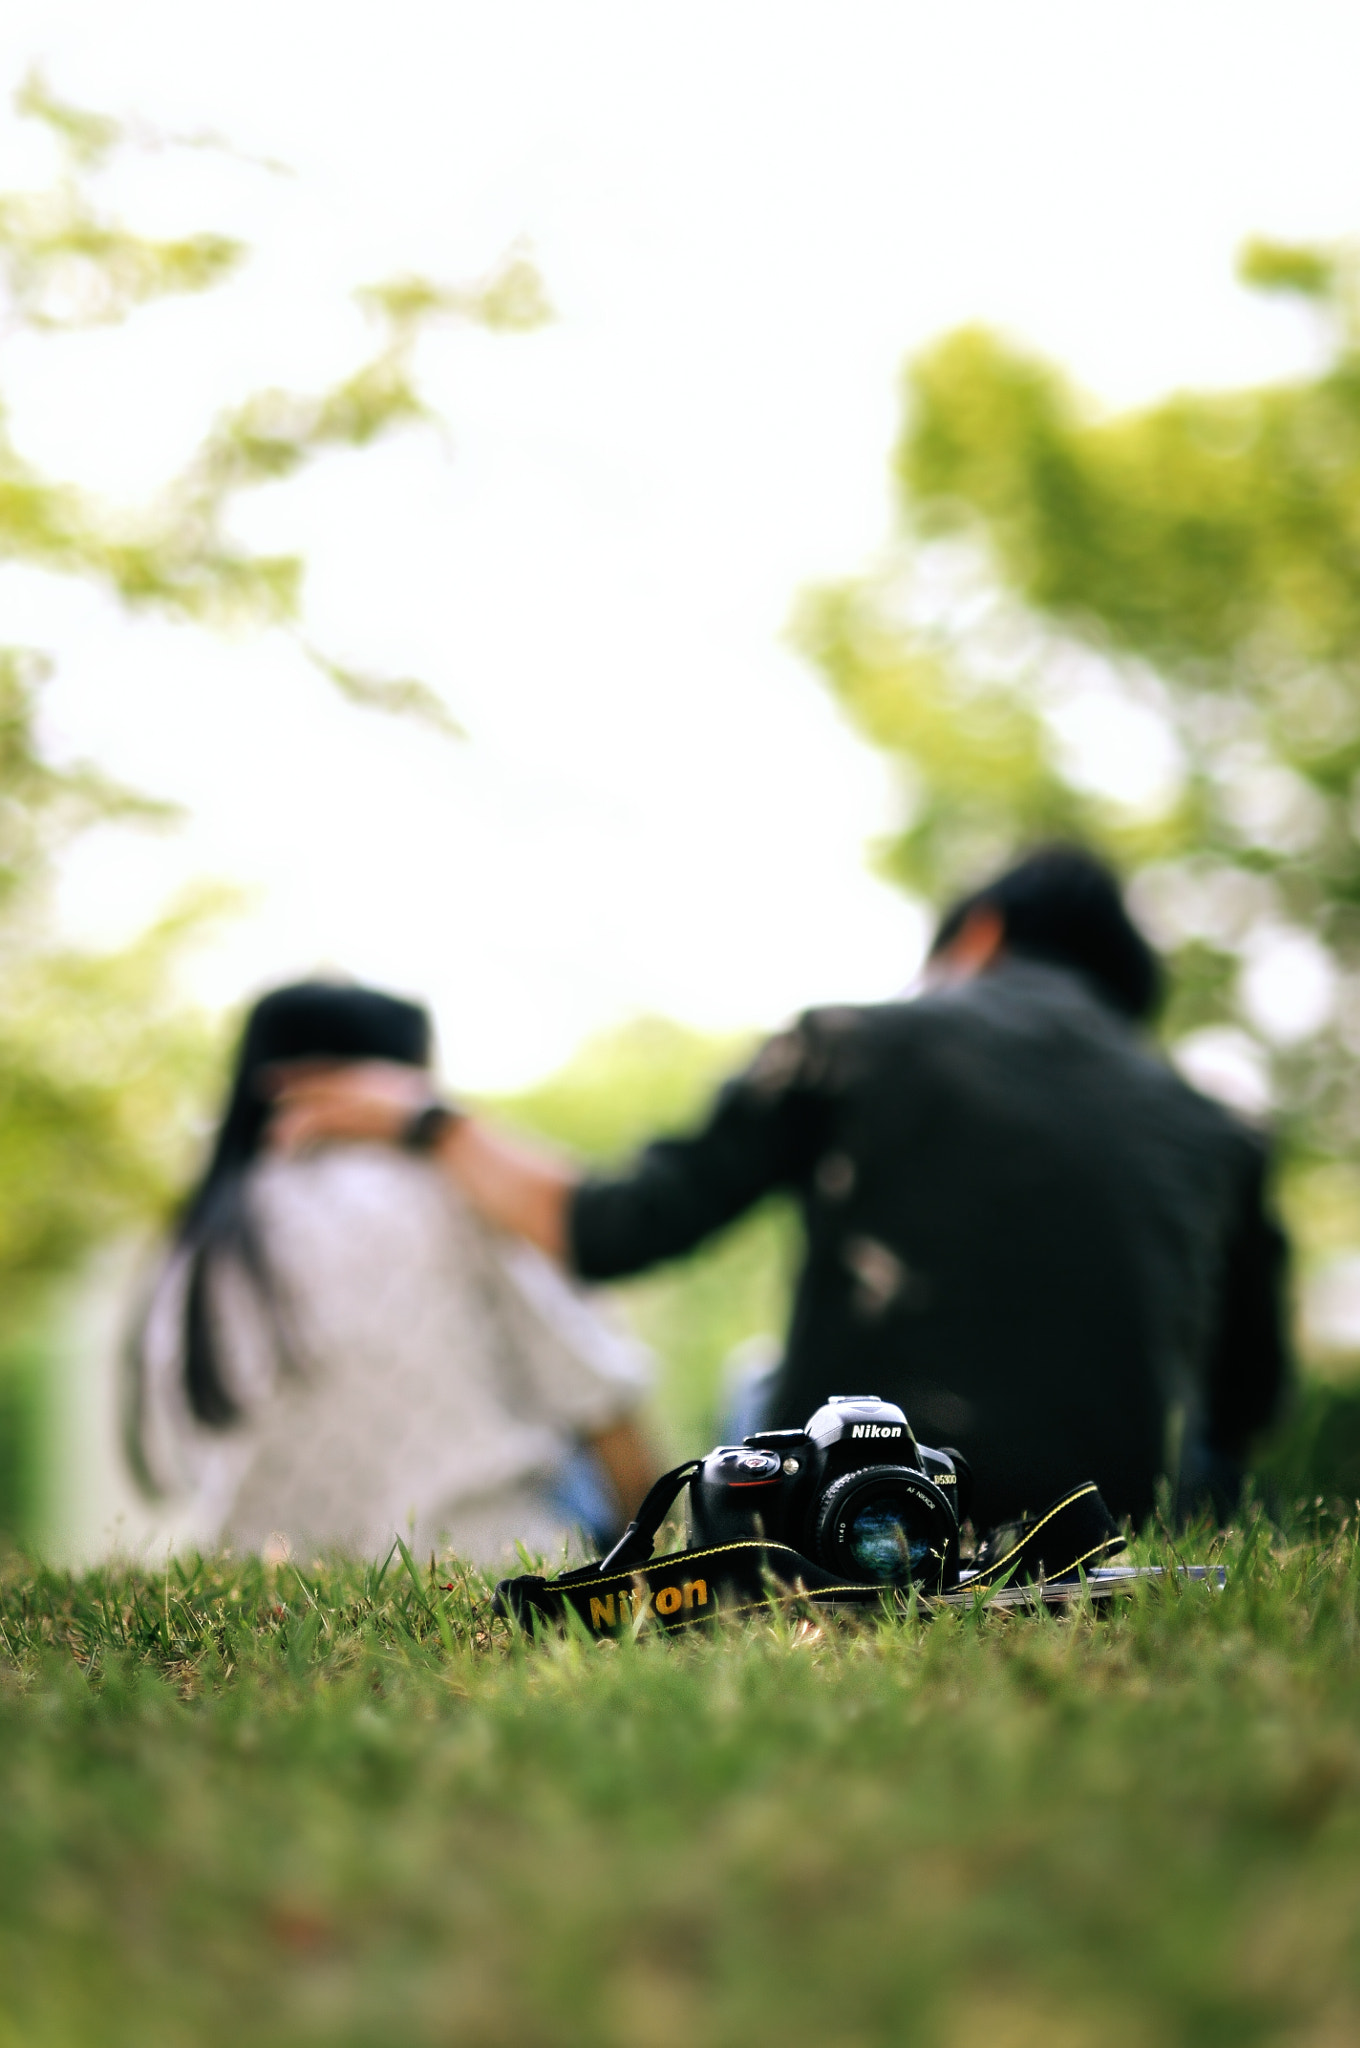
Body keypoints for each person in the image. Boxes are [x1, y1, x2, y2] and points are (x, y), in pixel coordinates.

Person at [267, 851, 1290, 1530]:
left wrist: (423, 1118)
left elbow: (606, 1227)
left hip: (851, 1513)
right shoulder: (1216, 1128)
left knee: (753, 1389)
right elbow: (1246, 1402)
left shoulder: (854, 1042)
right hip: (1097, 1524)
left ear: (975, 937)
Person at [125, 981, 656, 1566]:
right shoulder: (453, 1188)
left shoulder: (200, 1237)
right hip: (493, 1562)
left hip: (272, 1587)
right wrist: (664, 1560)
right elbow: (600, 1392)